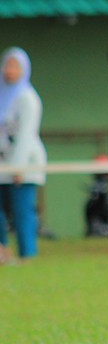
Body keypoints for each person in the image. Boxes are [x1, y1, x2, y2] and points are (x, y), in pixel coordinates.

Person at [0, 47, 47, 263]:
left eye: (15, 66)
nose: (10, 70)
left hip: (25, 163)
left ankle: (27, 254)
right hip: (2, 161)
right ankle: (3, 250)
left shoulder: (28, 98)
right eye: (7, 65)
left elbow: (26, 135)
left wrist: (18, 168)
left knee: (22, 211)